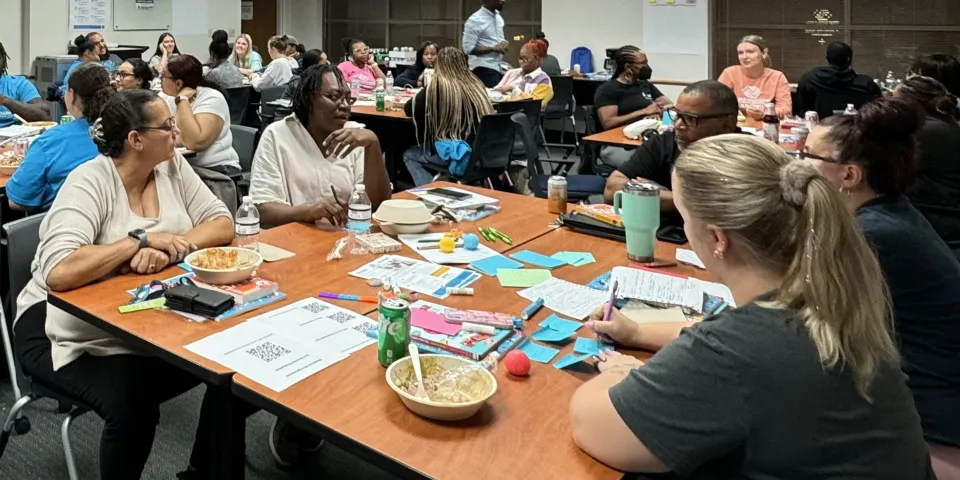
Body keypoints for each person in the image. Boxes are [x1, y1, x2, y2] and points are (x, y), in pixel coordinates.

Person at [570, 133, 935, 478]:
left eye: (684, 218)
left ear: (717, 238)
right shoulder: (828, 295)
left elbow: (590, 425)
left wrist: (620, 374)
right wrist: (638, 333)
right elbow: (740, 346)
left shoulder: (734, 351)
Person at [13, 89, 236, 480]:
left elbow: (221, 222)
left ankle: (202, 471)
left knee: (226, 372)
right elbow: (59, 271)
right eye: (167, 126)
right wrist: (139, 242)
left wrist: (173, 249)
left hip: (137, 315)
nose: (177, 133)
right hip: (55, 328)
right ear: (136, 140)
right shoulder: (90, 181)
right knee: (133, 403)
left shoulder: (172, 167)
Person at [801, 97, 960, 451]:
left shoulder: (872, 234)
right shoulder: (888, 213)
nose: (799, 165)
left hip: (930, 409)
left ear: (849, 175)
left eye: (808, 155)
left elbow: (808, 316)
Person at [249, 64, 391, 230]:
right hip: (295, 237)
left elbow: (378, 205)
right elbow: (262, 210)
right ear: (308, 100)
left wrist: (373, 145)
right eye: (334, 96)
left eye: (348, 98)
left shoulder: (357, 136)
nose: (345, 105)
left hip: (346, 236)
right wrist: (307, 212)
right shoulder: (277, 135)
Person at [603, 80, 740, 215]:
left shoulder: (746, 154)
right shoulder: (664, 143)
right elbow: (612, 190)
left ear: (727, 125)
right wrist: (678, 199)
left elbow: (726, 208)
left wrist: (660, 195)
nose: (678, 125)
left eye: (690, 119)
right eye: (677, 115)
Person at [7, 64, 112, 212]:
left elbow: (17, 201)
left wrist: (47, 191)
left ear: (72, 94)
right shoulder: (125, 133)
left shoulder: (50, 142)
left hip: (63, 220)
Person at [402, 47, 493, 186]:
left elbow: (410, 109)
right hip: (482, 152)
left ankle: (432, 192)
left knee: (410, 155)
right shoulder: (476, 84)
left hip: (458, 154)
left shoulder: (438, 86)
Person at [893, 76, 960, 249]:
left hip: (940, 213)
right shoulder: (944, 122)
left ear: (911, 104)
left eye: (896, 103)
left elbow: (890, 165)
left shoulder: (927, 132)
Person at [594, 45, 672, 168]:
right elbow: (608, 122)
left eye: (646, 62)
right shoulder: (608, 89)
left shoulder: (644, 85)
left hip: (644, 139)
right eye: (643, 63)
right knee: (655, 161)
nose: (646, 67)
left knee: (672, 154)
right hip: (617, 145)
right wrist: (643, 112)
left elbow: (669, 106)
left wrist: (660, 114)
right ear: (627, 67)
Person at [161, 55, 241, 173]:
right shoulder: (165, 97)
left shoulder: (212, 98)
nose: (160, 79)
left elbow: (194, 142)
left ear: (178, 83)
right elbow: (153, 134)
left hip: (215, 168)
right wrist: (179, 137)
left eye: (163, 76)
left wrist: (182, 100)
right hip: (183, 167)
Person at [718, 35, 791, 128]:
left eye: (750, 52)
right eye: (740, 53)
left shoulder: (777, 77)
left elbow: (786, 110)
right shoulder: (729, 73)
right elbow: (718, 104)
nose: (744, 57)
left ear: (764, 53)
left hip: (766, 127)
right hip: (736, 127)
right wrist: (743, 110)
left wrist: (765, 113)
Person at [796, 41, 881, 120]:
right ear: (849, 59)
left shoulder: (809, 79)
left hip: (819, 128)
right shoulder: (867, 85)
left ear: (827, 57)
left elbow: (801, 111)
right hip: (855, 129)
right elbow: (878, 112)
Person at [494, 39, 554, 108]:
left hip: (524, 114)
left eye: (525, 58)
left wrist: (513, 90)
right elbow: (495, 92)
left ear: (537, 59)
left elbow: (533, 105)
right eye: (520, 58)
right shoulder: (511, 73)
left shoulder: (544, 80)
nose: (520, 61)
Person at [0, 41, 48, 127]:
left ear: (4, 60)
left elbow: (45, 114)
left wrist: (5, 100)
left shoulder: (18, 84)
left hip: (14, 134)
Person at [463, 0, 507, 87]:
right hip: (482, 70)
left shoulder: (498, 18)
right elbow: (468, 48)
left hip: (497, 68)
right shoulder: (475, 20)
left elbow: (499, 40)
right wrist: (493, 49)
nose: (503, 1)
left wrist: (505, 43)